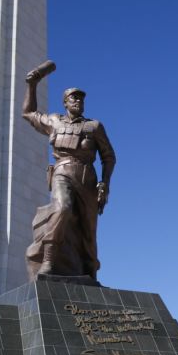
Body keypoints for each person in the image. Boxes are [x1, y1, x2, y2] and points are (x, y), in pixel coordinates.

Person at [21, 61, 116, 280]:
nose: (78, 101)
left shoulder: (94, 126)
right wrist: (32, 85)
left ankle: (90, 271)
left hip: (87, 178)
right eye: (74, 98)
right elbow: (28, 112)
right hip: (62, 172)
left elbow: (109, 156)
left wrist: (105, 184)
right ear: (65, 102)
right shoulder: (54, 122)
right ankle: (48, 260)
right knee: (62, 208)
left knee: (88, 229)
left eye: (81, 98)